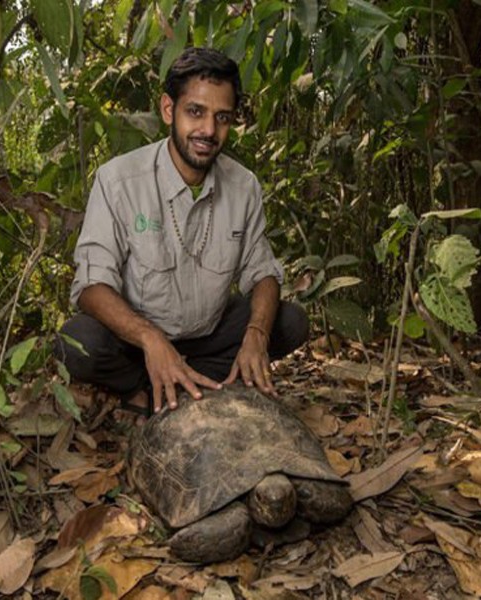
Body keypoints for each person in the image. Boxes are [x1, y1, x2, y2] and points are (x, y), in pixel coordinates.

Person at [57, 47, 308, 417]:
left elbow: (263, 272)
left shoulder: (243, 186)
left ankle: (185, 381)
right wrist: (150, 338)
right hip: (138, 345)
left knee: (289, 322)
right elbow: (92, 287)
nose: (208, 130)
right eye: (195, 112)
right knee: (76, 342)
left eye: (222, 117)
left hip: (209, 335)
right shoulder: (118, 181)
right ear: (168, 110)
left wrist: (255, 334)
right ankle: (145, 384)